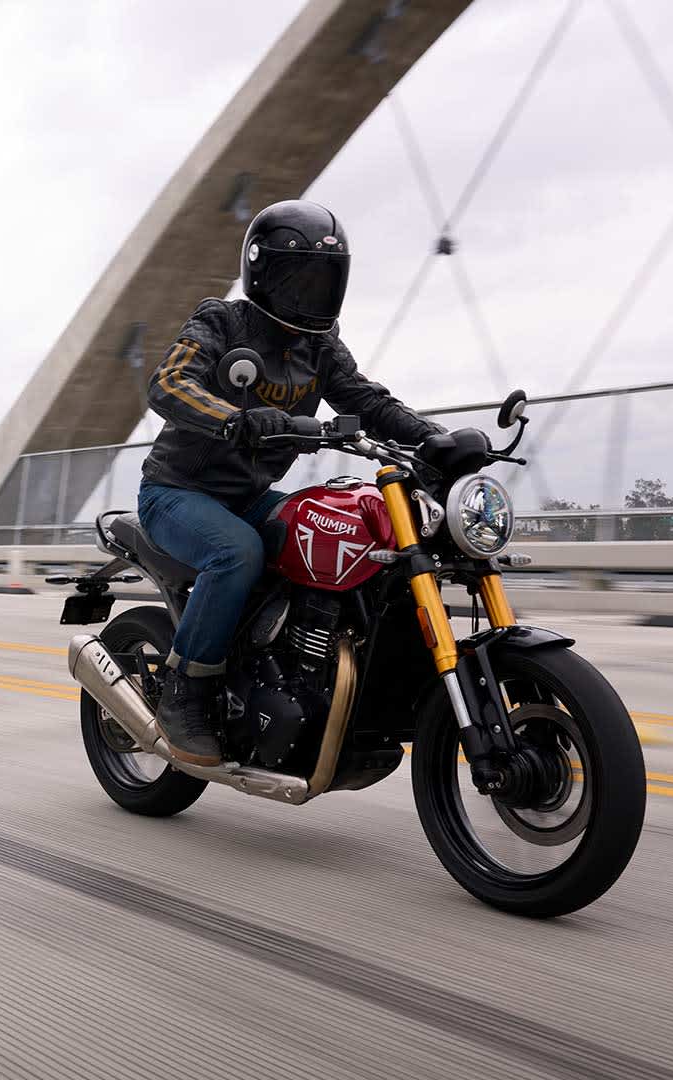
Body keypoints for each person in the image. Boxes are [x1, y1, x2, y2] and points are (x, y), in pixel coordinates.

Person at [138, 199, 487, 767]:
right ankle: (186, 693)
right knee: (236, 553)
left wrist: (437, 441)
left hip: (249, 498)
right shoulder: (221, 321)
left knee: (343, 546)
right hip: (177, 493)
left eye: (324, 278)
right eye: (298, 276)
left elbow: (367, 400)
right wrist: (233, 418)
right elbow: (169, 383)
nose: (311, 291)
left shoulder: (319, 346)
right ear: (263, 273)